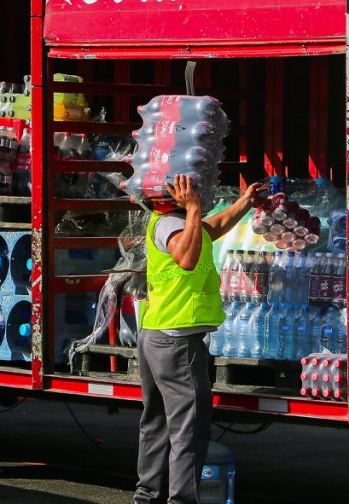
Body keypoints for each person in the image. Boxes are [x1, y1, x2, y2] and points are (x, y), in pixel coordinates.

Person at [134, 175, 266, 504]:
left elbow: (214, 226)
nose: (201, 195)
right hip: (176, 340)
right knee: (189, 431)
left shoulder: (182, 222)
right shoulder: (169, 224)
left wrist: (244, 203)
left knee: (159, 425)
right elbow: (187, 258)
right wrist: (192, 208)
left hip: (158, 332)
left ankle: (146, 497)